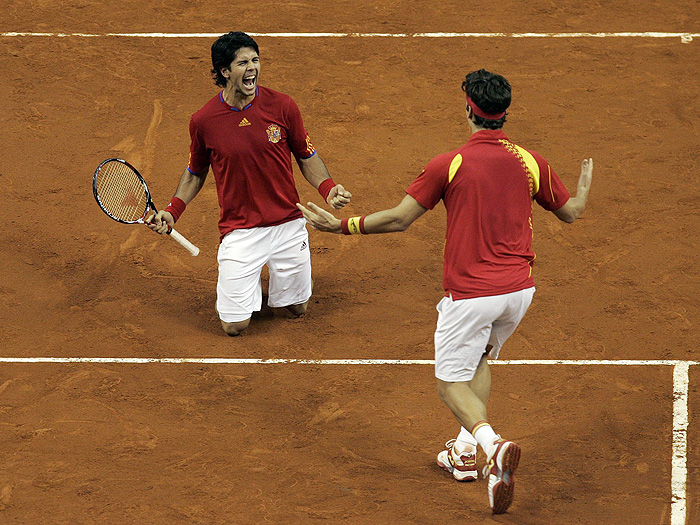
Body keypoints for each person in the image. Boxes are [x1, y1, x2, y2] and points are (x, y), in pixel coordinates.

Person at [297, 69, 592, 515]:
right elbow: (571, 213)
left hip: (472, 295)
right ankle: (465, 455)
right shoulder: (530, 161)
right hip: (518, 294)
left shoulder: (449, 163)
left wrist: (340, 225)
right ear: (503, 114)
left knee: (449, 383)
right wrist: (585, 190)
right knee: (479, 360)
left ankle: (491, 445)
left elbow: (399, 219)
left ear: (468, 111)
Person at [147, 31, 351, 336]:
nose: (252, 67)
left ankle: (269, 278)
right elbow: (195, 172)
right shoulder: (204, 120)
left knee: (296, 309)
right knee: (234, 325)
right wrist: (172, 211)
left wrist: (328, 188)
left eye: (255, 60)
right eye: (243, 62)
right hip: (240, 229)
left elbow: (306, 155)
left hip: (287, 221)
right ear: (225, 72)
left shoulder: (282, 106)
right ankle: (248, 275)